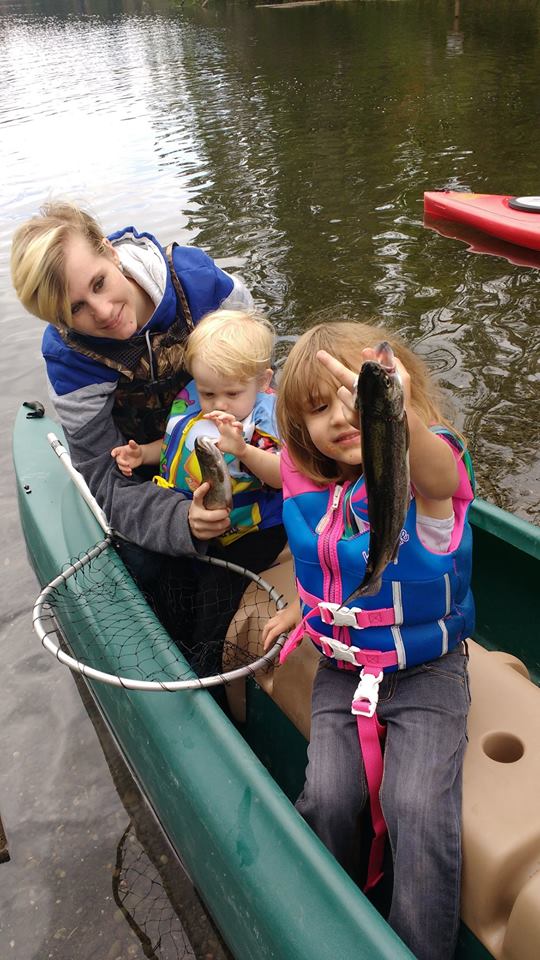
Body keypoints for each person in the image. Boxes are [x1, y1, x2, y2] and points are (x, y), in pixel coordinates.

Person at [261, 320, 475, 960]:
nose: (342, 416)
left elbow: (438, 479)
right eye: (319, 408)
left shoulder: (425, 481)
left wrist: (401, 420)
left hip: (428, 671)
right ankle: (328, 920)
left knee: (416, 805)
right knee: (329, 794)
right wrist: (302, 612)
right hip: (341, 668)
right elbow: (325, 568)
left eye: (356, 396)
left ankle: (420, 946)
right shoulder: (317, 491)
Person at [10, 202, 254, 605]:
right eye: (75, 309)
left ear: (109, 251)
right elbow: (105, 479)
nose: (103, 313)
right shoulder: (70, 361)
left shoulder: (200, 283)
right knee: (142, 565)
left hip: (239, 449)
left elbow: (264, 380)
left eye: (99, 283)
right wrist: (181, 520)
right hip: (147, 482)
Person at [111, 309, 286, 674]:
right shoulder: (194, 401)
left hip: (252, 532)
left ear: (263, 381)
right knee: (173, 580)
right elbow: (177, 440)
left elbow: (282, 477)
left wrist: (243, 450)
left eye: (232, 393)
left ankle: (206, 675)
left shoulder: (265, 420)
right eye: (208, 392)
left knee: (215, 596)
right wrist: (141, 453)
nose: (218, 404)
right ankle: (172, 646)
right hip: (194, 524)